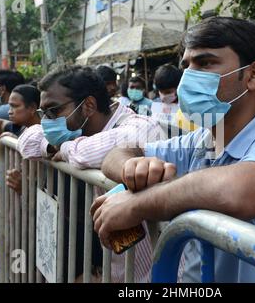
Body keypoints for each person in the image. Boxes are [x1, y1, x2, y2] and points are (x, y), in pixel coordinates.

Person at [93, 17, 255, 283]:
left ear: (253, 75)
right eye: (186, 66)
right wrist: (131, 167)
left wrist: (137, 205)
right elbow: (117, 153)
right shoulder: (201, 141)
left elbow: (235, 191)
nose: (187, 77)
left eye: (205, 63)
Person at [17, 65, 162, 282]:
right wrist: (53, 145)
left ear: (89, 105)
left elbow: (109, 146)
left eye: (53, 111)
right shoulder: (78, 133)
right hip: (115, 269)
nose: (46, 121)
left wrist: (65, 148)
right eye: (42, 113)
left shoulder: (138, 124)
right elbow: (27, 140)